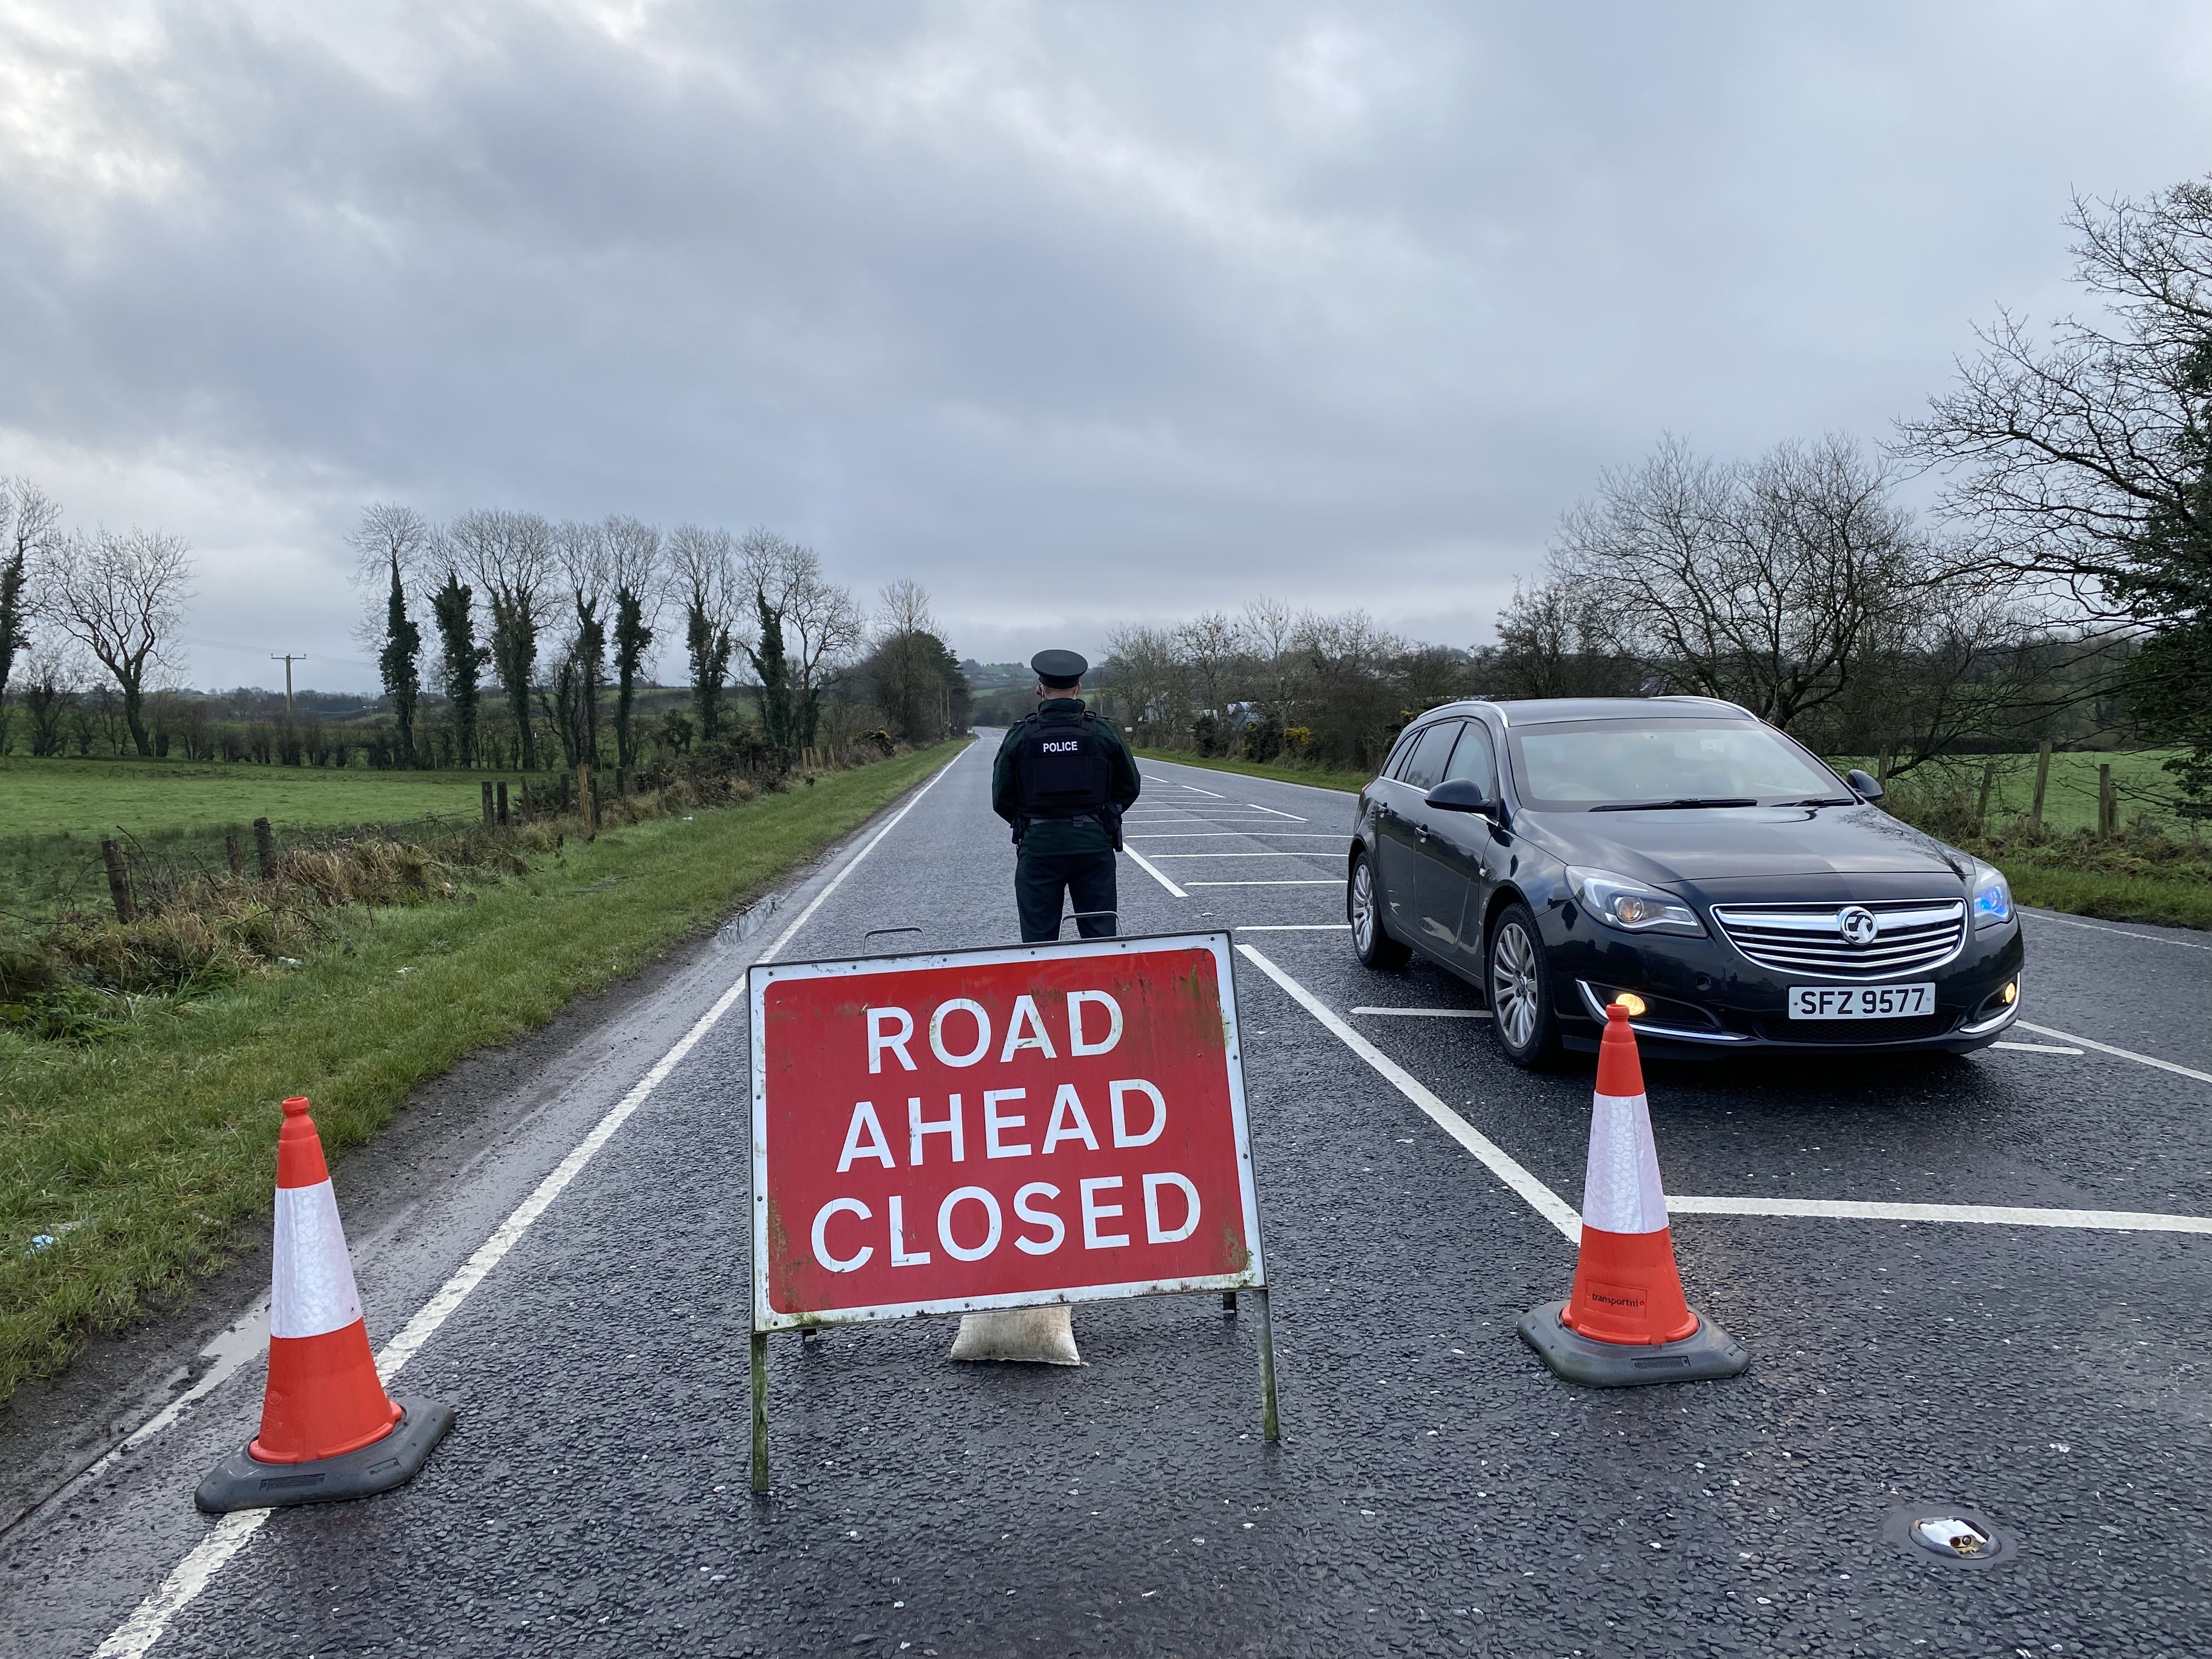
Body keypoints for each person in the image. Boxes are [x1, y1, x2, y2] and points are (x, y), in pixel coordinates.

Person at [992, 649, 1142, 943]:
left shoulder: (1021, 736)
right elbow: (1130, 786)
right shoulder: (1103, 732)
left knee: (1038, 943)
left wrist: (1033, 818)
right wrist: (1102, 815)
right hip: (1092, 846)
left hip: (1039, 847)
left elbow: (1001, 799)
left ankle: (1045, 990)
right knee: (1100, 938)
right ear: (1078, 688)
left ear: (1040, 690)